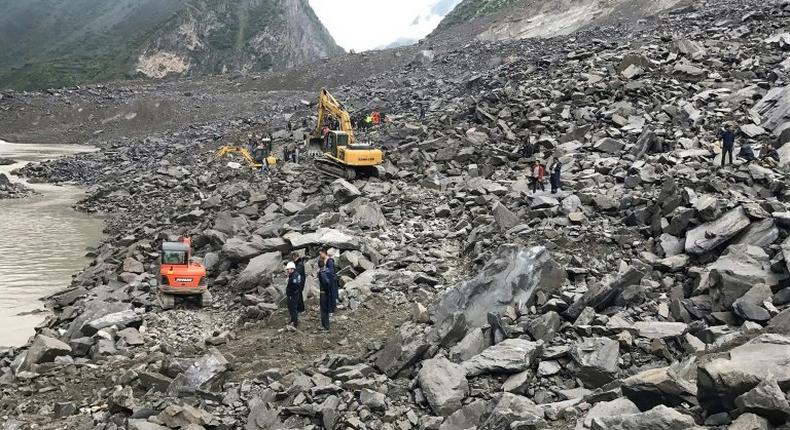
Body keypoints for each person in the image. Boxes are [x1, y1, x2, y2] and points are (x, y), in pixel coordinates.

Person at [319, 246, 338, 313]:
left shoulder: (329, 261)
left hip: (331, 281)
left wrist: (325, 272)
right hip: (328, 280)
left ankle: (332, 309)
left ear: (324, 253)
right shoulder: (326, 260)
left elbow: (331, 272)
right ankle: (330, 308)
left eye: (320, 254)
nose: (320, 256)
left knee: (331, 295)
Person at [285, 262, 302, 328]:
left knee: (293, 308)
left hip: (293, 295)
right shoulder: (295, 274)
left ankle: (295, 323)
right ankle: (293, 320)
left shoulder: (294, 276)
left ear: (292, 269)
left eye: (288, 269)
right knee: (291, 307)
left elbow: (295, 285)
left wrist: (290, 292)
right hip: (293, 294)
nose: (287, 270)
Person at [317, 259, 332, 330]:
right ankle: (326, 324)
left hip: (323, 292)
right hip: (328, 292)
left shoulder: (321, 272)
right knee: (326, 308)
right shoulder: (328, 270)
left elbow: (326, 282)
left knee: (323, 309)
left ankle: (325, 325)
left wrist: (325, 289)